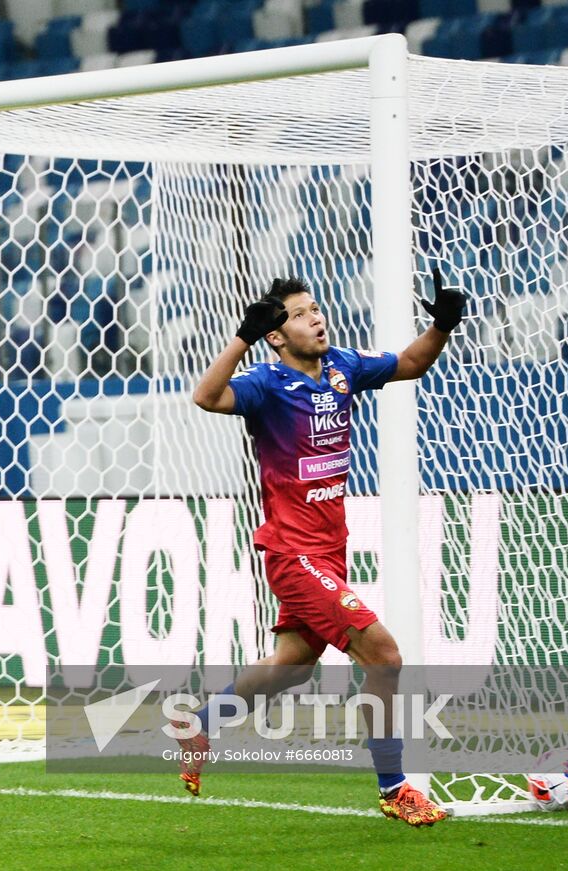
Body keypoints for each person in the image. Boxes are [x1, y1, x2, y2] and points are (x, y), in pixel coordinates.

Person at [174, 272, 465, 827]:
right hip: (293, 553)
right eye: (301, 314)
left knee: (292, 665)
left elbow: (410, 363)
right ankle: (394, 787)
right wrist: (243, 335)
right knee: (385, 656)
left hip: (329, 550)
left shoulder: (343, 369)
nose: (316, 317)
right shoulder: (263, 383)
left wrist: (443, 326)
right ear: (277, 335)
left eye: (315, 308)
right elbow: (207, 396)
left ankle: (199, 725)